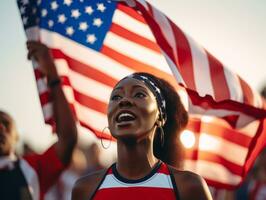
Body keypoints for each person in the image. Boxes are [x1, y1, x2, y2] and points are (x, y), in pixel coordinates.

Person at [72, 72, 213, 199]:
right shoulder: (85, 189)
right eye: (116, 97)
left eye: (139, 94)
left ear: (160, 116)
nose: (124, 101)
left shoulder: (188, 187)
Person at [0, 41, 77, 200]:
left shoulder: (32, 168)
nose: (0, 127)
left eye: (6, 124)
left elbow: (68, 139)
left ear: (16, 137)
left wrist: (52, 75)